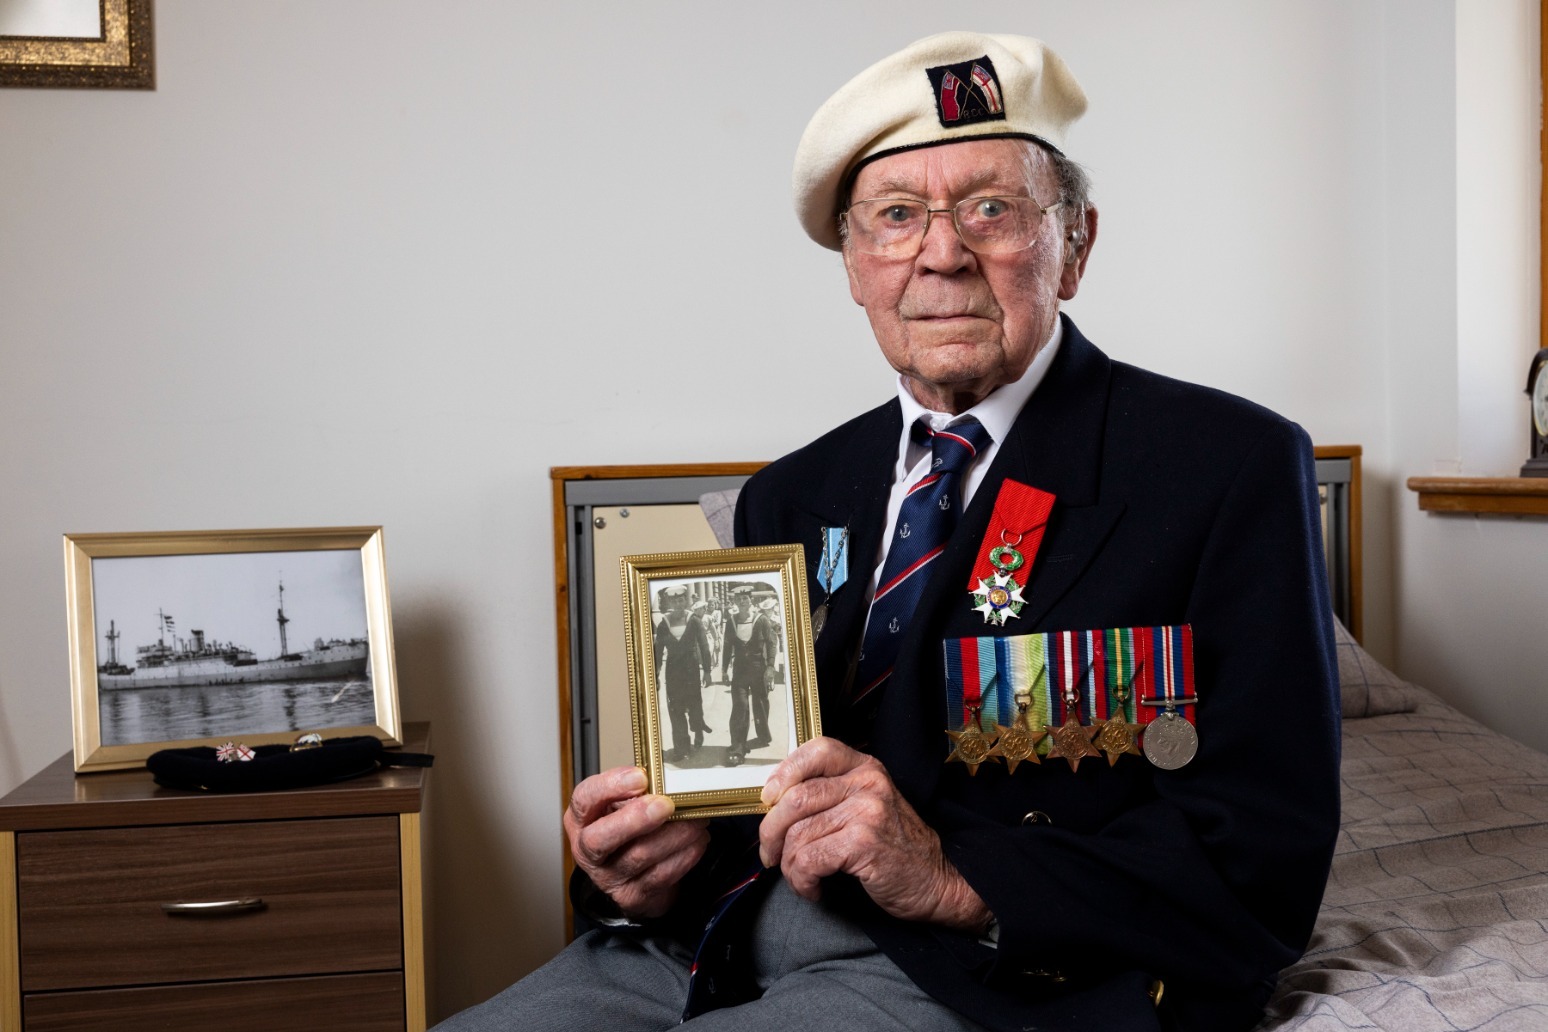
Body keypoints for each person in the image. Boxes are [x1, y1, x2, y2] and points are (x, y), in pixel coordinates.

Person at [436, 30, 1339, 1032]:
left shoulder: (1224, 467)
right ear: (856, 268)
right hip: (701, 944)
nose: (942, 253)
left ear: (1074, 246)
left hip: (975, 968)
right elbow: (748, 795)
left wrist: (950, 877)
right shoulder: (792, 494)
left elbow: (1263, 854)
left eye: (991, 208)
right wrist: (646, 870)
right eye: (897, 218)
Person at [654, 586, 714, 762]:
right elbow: (658, 651)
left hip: (691, 672)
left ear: (686, 601)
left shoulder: (694, 620)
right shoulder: (664, 623)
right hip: (673, 674)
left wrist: (708, 671)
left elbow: (704, 646)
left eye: (681, 600)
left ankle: (698, 729)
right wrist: (655, 673)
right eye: (674, 601)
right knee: (676, 710)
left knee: (694, 708)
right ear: (670, 602)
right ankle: (682, 748)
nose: (678, 604)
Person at [721, 587, 780, 763]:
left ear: (751, 601)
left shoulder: (761, 620)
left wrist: (770, 667)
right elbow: (727, 647)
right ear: (735, 603)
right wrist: (724, 669)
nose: (742, 602)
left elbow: (771, 643)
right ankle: (738, 747)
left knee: (760, 703)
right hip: (739, 671)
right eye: (739, 599)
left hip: (758, 669)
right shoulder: (730, 622)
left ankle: (763, 735)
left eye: (745, 599)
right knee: (740, 705)